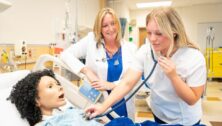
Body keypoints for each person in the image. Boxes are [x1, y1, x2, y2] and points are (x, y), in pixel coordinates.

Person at [85, 7, 207, 126]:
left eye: (159, 33)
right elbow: (127, 83)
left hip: (184, 119)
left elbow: (192, 99)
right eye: (149, 33)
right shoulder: (146, 51)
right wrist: (103, 107)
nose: (152, 39)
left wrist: (173, 76)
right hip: (159, 114)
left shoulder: (193, 57)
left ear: (174, 33)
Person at [60, 7, 137, 120]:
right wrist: (86, 70)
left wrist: (112, 85)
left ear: (118, 25)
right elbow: (65, 54)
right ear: (99, 28)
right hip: (97, 100)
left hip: (122, 102)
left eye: (113, 23)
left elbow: (135, 78)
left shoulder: (131, 48)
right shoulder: (91, 41)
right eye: (105, 25)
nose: (110, 29)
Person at [7, 69, 103, 126]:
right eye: (50, 86)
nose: (60, 87)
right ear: (37, 100)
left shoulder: (69, 111)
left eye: (57, 84)